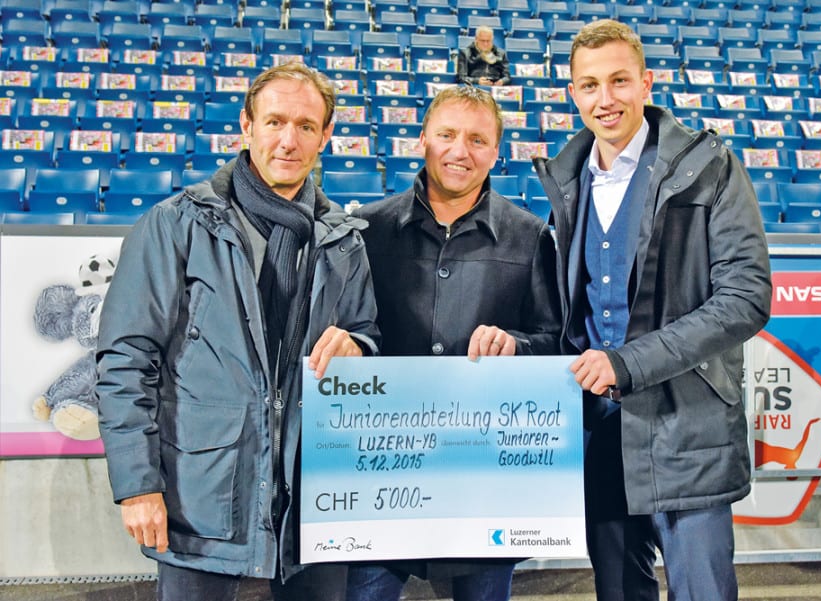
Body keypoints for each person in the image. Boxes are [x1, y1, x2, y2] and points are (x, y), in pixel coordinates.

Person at [95, 62, 380, 601]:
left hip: (311, 501)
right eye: (274, 122)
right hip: (200, 499)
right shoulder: (176, 224)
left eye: (305, 126)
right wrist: (138, 487)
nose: (288, 141)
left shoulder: (345, 240)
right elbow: (126, 361)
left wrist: (358, 345)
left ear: (326, 136)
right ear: (246, 126)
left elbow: (367, 332)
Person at [532, 20, 772, 601]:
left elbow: (746, 297)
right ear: (573, 93)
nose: (605, 99)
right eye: (589, 85)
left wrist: (628, 362)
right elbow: (570, 321)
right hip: (602, 434)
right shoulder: (566, 182)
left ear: (646, 83)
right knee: (619, 593)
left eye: (619, 81)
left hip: (687, 429)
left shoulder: (712, 167)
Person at [345, 85, 561, 601]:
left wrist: (517, 345)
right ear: (422, 138)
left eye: (477, 140)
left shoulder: (531, 238)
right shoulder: (365, 231)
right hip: (379, 474)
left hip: (482, 481)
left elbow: (556, 343)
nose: (460, 151)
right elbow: (346, 331)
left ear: (496, 152)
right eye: (446, 134)